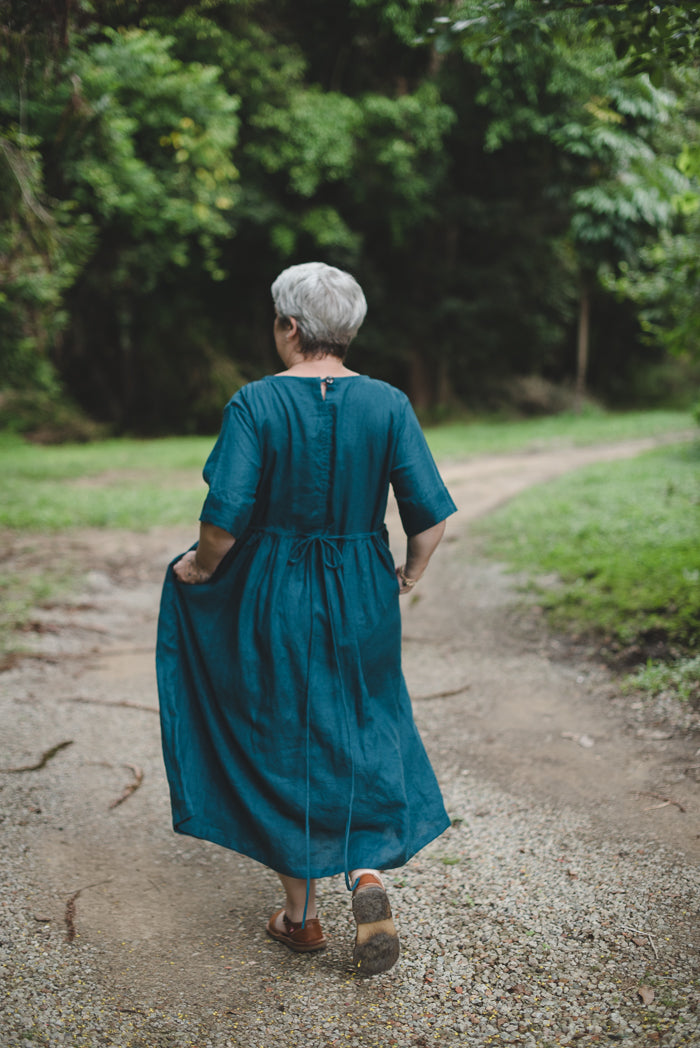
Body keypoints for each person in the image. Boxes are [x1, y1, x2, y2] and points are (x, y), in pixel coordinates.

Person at [156, 262, 457, 976]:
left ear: (289, 327)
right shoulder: (388, 403)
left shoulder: (255, 405)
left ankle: (303, 917)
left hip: (273, 590)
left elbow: (223, 521)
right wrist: (406, 579)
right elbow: (430, 519)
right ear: (345, 330)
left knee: (282, 733)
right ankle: (365, 871)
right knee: (362, 718)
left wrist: (198, 570)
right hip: (361, 589)